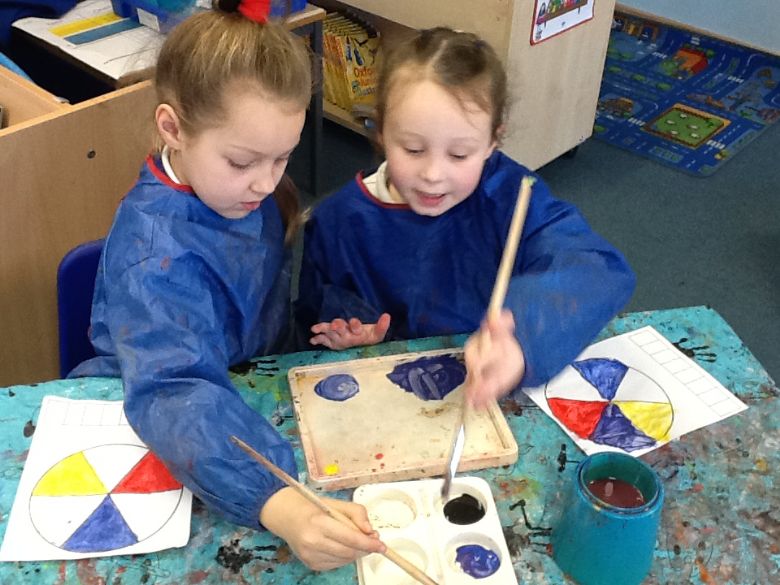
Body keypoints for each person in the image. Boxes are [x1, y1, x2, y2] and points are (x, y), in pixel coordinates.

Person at [70, 2, 384, 571]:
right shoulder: (154, 257)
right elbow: (174, 389)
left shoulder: (242, 191)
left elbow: (262, 305)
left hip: (248, 384)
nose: (265, 183)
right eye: (243, 162)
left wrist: (330, 324)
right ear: (173, 128)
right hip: (170, 418)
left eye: (282, 158)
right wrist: (278, 502)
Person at [296, 27, 636, 408]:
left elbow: (597, 268)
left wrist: (522, 341)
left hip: (482, 395)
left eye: (459, 155)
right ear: (381, 131)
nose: (433, 174)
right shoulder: (337, 222)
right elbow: (310, 330)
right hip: (384, 401)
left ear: (492, 141)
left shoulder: (510, 196)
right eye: (413, 149)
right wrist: (354, 336)